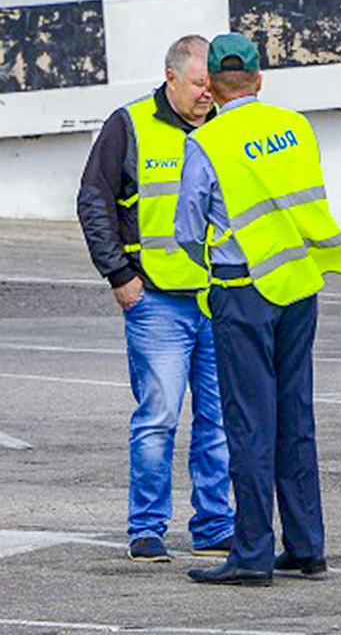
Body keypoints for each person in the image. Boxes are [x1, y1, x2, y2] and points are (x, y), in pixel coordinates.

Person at [175, 33, 341, 586]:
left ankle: (253, 551)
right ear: (260, 80)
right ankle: (306, 546)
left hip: (243, 290)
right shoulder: (295, 127)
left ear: (208, 83)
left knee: (249, 423)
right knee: (294, 419)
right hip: (300, 285)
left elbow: (188, 229)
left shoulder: (206, 144)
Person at [75, 34, 235, 564]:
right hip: (156, 301)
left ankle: (214, 526)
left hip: (218, 299)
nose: (207, 93)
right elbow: (93, 199)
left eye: (211, 83)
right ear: (171, 78)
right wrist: (118, 274)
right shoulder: (129, 124)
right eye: (198, 84)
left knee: (218, 421)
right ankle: (146, 529)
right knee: (158, 418)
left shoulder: (227, 127)